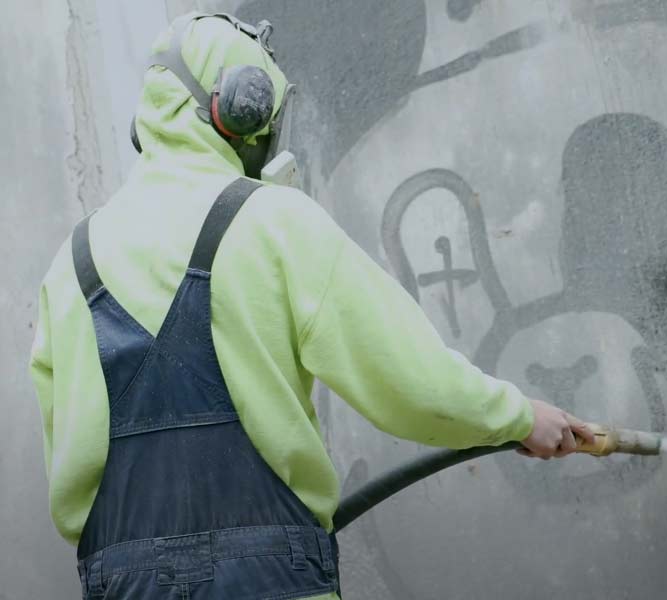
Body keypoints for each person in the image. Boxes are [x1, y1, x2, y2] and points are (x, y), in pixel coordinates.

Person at [28, 12, 593, 600]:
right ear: (241, 109)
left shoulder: (69, 266)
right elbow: (409, 377)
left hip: (122, 584)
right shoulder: (273, 222)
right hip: (271, 579)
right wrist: (519, 417)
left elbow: (67, 456)